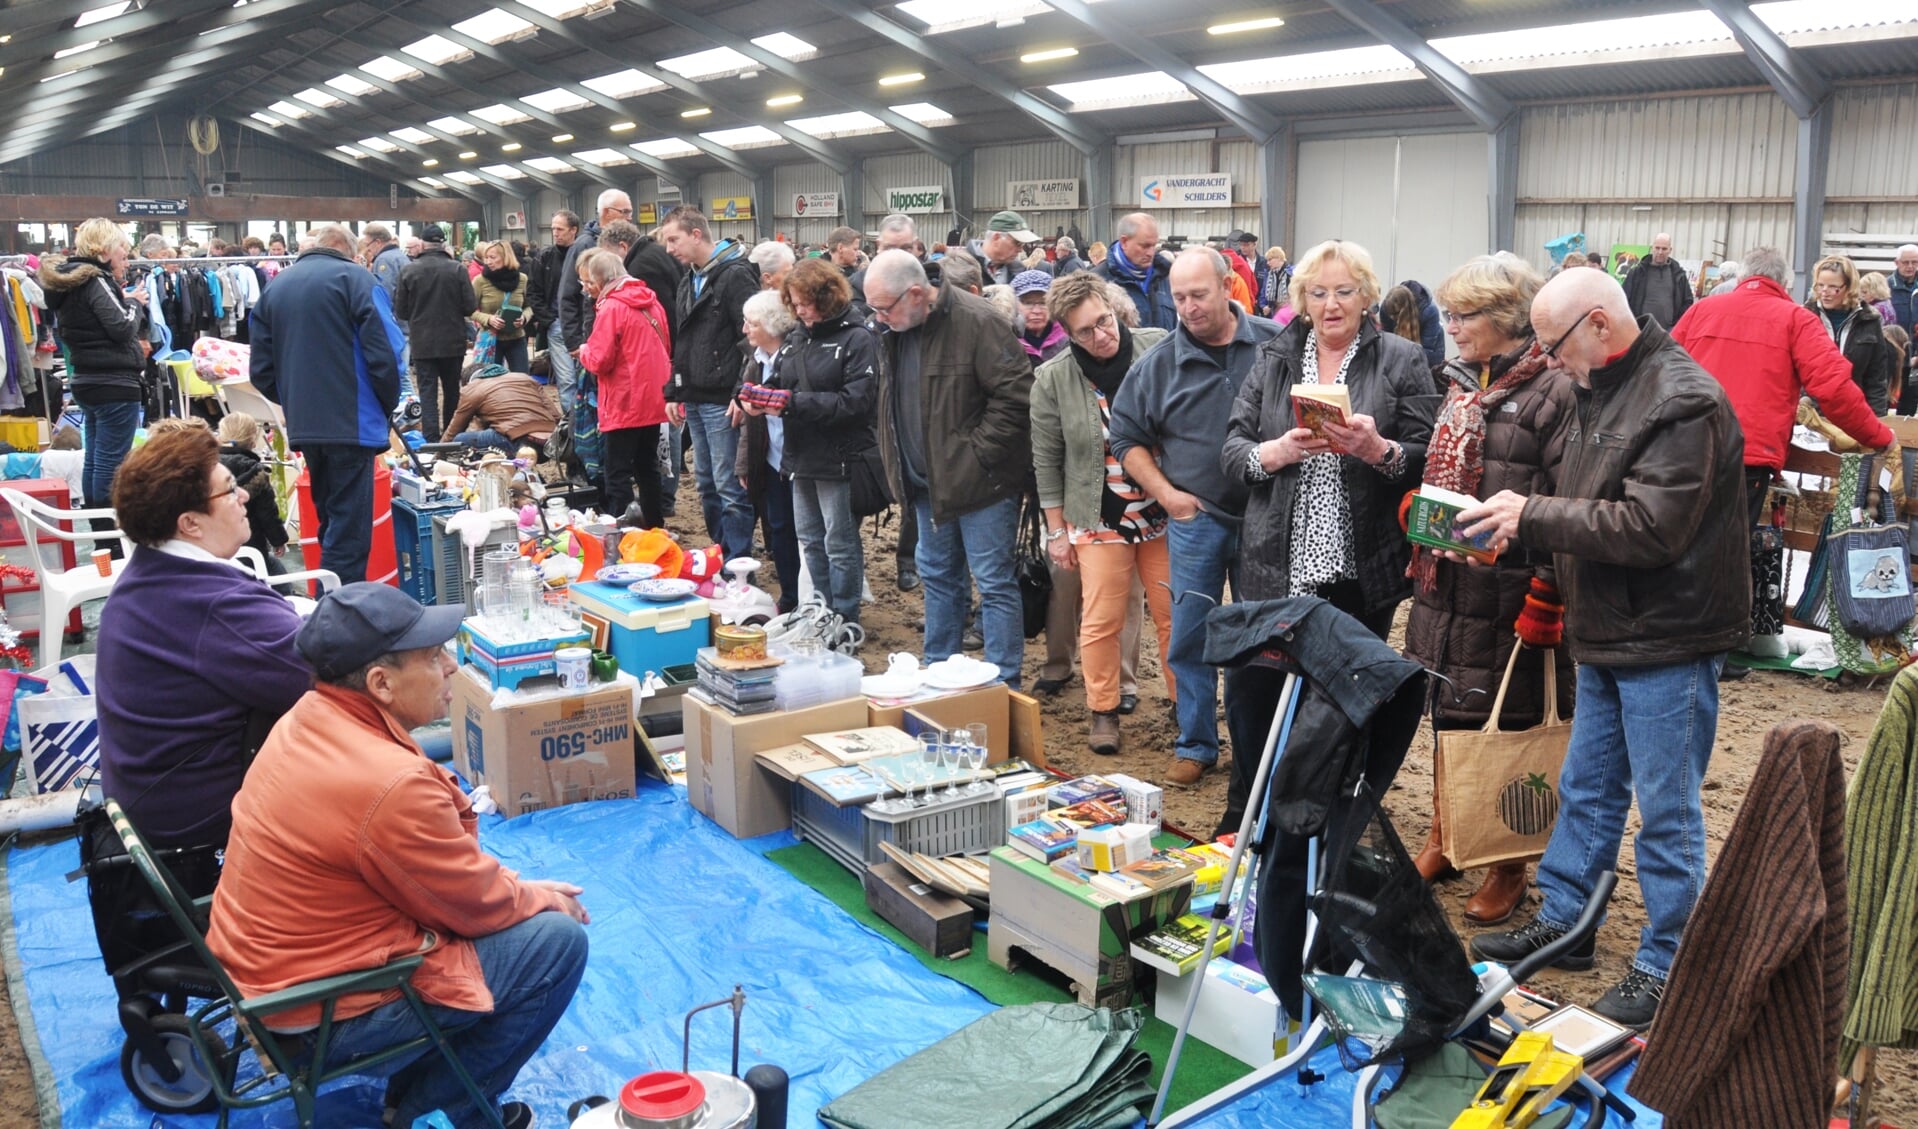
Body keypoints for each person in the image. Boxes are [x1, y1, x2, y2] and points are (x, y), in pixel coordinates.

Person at [1465, 266, 1750, 1030]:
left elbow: (1650, 529)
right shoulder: (1601, 386)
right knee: (1588, 784)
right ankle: (1568, 918)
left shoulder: (1683, 400)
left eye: (1554, 345)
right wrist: (1524, 542)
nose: (1549, 361)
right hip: (1611, 625)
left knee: (1666, 807)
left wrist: (1533, 518)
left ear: (1598, 323)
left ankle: (1669, 959)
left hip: (1671, 634)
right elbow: (1589, 510)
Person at [207, 584, 589, 1129]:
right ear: (380, 683)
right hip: (316, 1011)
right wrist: (537, 897)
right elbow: (472, 906)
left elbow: (440, 877)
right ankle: (428, 1108)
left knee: (524, 914)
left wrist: (517, 891)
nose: (451, 667)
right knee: (558, 943)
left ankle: (427, 1095)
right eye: (433, 658)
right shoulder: (389, 782)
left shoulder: (309, 716)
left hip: (262, 981)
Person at [1218, 239, 1436, 819]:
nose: (1332, 304)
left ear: (1366, 297)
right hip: (1276, 562)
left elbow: (1424, 454)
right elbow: (1232, 450)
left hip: (1361, 566)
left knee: (1341, 700)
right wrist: (1276, 452)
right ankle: (1249, 812)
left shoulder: (1401, 359)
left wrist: (1379, 449)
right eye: (1318, 292)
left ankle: (1326, 820)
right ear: (1302, 299)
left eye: (1344, 291)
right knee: (1257, 695)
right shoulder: (1273, 357)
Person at [1401, 254, 1578, 925]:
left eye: (1464, 314)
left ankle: (1507, 862)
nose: (1451, 326)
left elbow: (1567, 500)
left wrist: (1547, 594)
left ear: (1506, 318)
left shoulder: (1552, 394)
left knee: (1512, 725)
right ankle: (1447, 835)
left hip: (1513, 597)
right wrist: (1421, 511)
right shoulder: (1459, 384)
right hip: (1447, 589)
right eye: (1448, 313)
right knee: (1451, 713)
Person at [1109, 248, 1284, 785]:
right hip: (1197, 518)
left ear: (1229, 285)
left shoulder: (1276, 345)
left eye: (1199, 295)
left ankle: (1260, 751)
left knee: (1264, 637)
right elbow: (1126, 437)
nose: (1188, 307)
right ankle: (1196, 743)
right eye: (1179, 297)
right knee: (1190, 632)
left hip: (1269, 518)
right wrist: (1166, 495)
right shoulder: (1158, 365)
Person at [95, 428, 310, 849]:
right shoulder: (211, 602)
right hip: (202, 827)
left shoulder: (147, 576)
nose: (244, 497)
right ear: (190, 523)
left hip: (153, 807)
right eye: (230, 490)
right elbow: (325, 670)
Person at [866, 250, 1032, 685]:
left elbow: (1015, 399)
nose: (880, 318)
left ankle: (1003, 682)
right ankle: (938, 674)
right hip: (924, 484)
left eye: (886, 308)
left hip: (983, 486)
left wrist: (974, 455)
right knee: (938, 577)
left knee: (993, 582)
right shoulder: (894, 329)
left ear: (918, 293)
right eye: (874, 310)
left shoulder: (978, 322)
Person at [1031, 271, 1172, 755]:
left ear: (1115, 310)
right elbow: (1046, 460)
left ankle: (1185, 709)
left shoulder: (1159, 349)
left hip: (1165, 510)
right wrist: (1056, 533)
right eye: (1085, 332)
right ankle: (1104, 710)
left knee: (1176, 615)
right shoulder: (1053, 378)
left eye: (1104, 321)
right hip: (1096, 512)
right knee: (1101, 616)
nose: (1101, 336)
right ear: (1068, 336)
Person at [1672, 247, 1894, 530]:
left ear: (1741, 277)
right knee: (1727, 549)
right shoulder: (1797, 320)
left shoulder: (1700, 310)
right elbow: (1834, 390)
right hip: (1747, 455)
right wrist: (1878, 436)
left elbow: (1661, 370)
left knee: (1677, 538)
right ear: (1784, 282)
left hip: (1686, 446)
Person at [250, 223, 401, 584]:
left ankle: (331, 610)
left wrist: (294, 399)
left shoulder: (275, 287)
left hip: (307, 425)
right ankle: (336, 618)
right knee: (349, 531)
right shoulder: (357, 280)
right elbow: (389, 353)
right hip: (352, 422)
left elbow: (260, 368)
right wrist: (386, 402)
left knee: (331, 519)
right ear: (351, 252)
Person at [756, 258, 879, 625]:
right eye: (792, 302)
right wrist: (756, 396)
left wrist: (792, 404)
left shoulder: (857, 338)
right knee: (809, 538)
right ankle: (820, 611)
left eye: (803, 301)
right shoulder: (796, 337)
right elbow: (778, 381)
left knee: (838, 542)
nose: (798, 309)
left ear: (826, 297)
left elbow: (856, 401)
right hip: (799, 454)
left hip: (839, 456)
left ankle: (845, 617)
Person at [659, 206, 760, 559]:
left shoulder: (735, 276)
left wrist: (740, 391)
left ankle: (737, 562)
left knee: (728, 485)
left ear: (696, 234)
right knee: (705, 482)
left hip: (722, 398)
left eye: (674, 239)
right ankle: (722, 553)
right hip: (696, 395)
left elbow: (751, 339)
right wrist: (674, 389)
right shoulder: (690, 278)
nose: (670, 249)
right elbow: (681, 340)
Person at [38, 219, 145, 529]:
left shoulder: (67, 283)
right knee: (110, 463)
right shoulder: (95, 280)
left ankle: (100, 534)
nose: (125, 253)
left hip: (86, 379)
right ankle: (109, 534)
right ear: (104, 249)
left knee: (96, 460)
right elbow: (121, 328)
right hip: (114, 382)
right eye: (121, 248)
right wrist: (134, 304)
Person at [577, 248, 673, 529]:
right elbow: (665, 346)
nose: (586, 289)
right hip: (653, 397)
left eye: (587, 283)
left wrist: (584, 350)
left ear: (599, 280)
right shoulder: (652, 302)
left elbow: (600, 360)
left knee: (617, 471)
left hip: (623, 400)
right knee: (647, 466)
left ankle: (625, 530)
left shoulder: (611, 307)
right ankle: (654, 526)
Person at [733, 290, 803, 614]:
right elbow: (749, 421)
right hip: (772, 460)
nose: (745, 330)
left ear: (773, 326)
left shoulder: (796, 360)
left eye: (752, 323)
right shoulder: (755, 362)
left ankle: (811, 597)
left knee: (807, 532)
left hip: (800, 462)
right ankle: (789, 597)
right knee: (779, 527)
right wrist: (746, 464)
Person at [393, 225, 478, 439]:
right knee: (452, 391)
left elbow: (401, 311)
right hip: (453, 340)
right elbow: (469, 307)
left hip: (423, 341)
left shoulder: (409, 270)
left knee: (427, 391)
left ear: (421, 244)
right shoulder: (457, 269)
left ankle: (431, 439)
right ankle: (451, 436)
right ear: (443, 243)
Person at [1806, 254, 1897, 414]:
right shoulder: (1805, 317)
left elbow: (1876, 377)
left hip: (1853, 412)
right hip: (1810, 413)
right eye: (1820, 285)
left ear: (1849, 287)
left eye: (1833, 287)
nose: (1824, 292)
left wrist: (1877, 419)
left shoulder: (1870, 320)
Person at [217, 412, 289, 575]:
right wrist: (278, 540)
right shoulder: (255, 471)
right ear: (252, 440)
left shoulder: (208, 465)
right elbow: (268, 513)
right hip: (251, 548)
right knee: (278, 576)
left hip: (215, 550)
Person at [441, 367, 560, 456]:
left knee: (460, 440)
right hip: (551, 441)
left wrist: (437, 453)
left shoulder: (472, 389)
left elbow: (454, 431)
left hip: (520, 440)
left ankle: (487, 478)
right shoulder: (526, 378)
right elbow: (556, 415)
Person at [1094, 213, 1177, 330]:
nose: (1151, 253)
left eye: (1154, 245)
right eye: (1145, 246)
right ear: (1124, 242)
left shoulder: (1165, 276)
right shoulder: (1097, 282)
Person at [540, 210, 582, 415]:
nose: (555, 233)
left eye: (560, 229)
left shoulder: (585, 255)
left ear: (573, 230)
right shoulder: (545, 257)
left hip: (583, 324)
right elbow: (534, 291)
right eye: (553, 229)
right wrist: (548, 319)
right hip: (557, 325)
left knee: (586, 378)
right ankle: (571, 426)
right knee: (566, 379)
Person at [468, 240, 530, 374]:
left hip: (516, 338)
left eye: (492, 257)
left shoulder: (522, 279)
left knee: (522, 379)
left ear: (505, 257)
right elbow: (468, 309)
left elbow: (530, 306)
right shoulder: (480, 281)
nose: (488, 261)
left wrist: (524, 318)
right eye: (486, 258)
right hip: (490, 339)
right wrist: (488, 319)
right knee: (490, 380)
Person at [1623, 232, 1694, 328]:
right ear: (1652, 248)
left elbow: (1688, 301)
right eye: (1657, 248)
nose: (1660, 252)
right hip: (1641, 330)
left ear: (1670, 250)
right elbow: (1624, 299)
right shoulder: (1637, 273)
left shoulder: (1678, 274)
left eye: (1664, 249)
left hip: (1669, 332)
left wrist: (1677, 323)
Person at [1013, 270, 1070, 369]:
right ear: (1014, 304)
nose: (1036, 310)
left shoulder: (1069, 339)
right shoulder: (1006, 340)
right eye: (1028, 303)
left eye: (1043, 303)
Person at [972, 210, 1041, 288]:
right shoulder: (962, 267)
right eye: (1017, 243)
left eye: (1022, 244)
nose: (1020, 250)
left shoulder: (1019, 270)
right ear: (996, 238)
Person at [363, 223, 407, 304]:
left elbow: (386, 292)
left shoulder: (384, 260)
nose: (367, 249)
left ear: (377, 242)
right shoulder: (401, 255)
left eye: (367, 244)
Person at [1890, 243, 1918, 338]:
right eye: (1905, 262)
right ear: (1897, 263)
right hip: (1895, 346)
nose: (1910, 266)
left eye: (1914, 262)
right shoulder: (1886, 287)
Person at [1258, 246, 1291, 318]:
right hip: (1273, 310)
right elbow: (1264, 291)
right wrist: (1264, 306)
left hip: (1288, 310)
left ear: (1278, 258)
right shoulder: (1269, 274)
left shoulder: (1291, 273)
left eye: (1270, 260)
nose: (1267, 263)